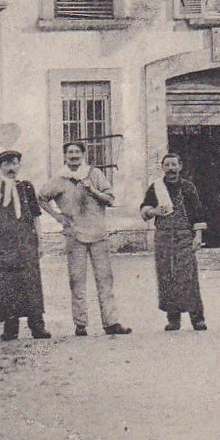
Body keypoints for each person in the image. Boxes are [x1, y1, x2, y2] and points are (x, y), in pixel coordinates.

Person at [38, 140, 132, 337]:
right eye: (69, 152)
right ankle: (80, 325)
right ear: (64, 156)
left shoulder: (95, 174)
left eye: (77, 152)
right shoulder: (59, 178)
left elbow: (110, 199)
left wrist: (93, 190)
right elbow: (42, 198)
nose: (73, 155)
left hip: (98, 234)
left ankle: (111, 322)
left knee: (105, 279)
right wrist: (57, 216)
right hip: (74, 235)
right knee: (77, 280)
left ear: (83, 154)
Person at [0, 150, 50, 340]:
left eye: (14, 163)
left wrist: (40, 242)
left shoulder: (26, 187)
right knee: (7, 284)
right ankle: (10, 329)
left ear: (19, 166)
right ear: (0, 167)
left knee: (31, 283)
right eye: (7, 165)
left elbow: (36, 216)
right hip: (5, 245)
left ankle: (37, 327)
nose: (11, 168)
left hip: (27, 243)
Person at [139, 152, 208, 331]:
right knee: (167, 276)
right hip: (163, 237)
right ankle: (173, 319)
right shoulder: (156, 188)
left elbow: (198, 212)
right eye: (167, 165)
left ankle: (197, 318)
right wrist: (154, 211)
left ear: (180, 167)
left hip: (184, 236)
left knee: (188, 277)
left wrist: (198, 236)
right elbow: (144, 208)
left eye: (174, 165)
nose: (170, 168)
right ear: (162, 168)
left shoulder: (188, 187)